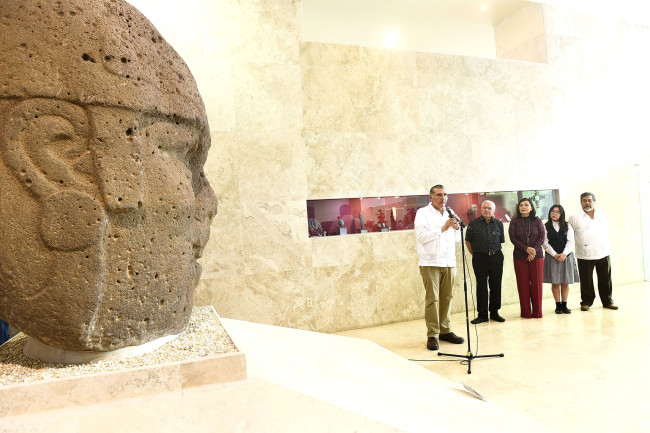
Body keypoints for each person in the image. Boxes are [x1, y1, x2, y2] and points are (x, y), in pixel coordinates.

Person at [414, 184, 465, 350]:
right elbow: (421, 237)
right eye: (438, 195)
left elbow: (456, 239)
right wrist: (443, 228)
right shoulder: (423, 213)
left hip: (449, 262)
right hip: (431, 262)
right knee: (432, 299)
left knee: (447, 297)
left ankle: (445, 330)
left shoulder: (450, 212)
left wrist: (456, 228)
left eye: (445, 195)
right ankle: (432, 334)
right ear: (430, 197)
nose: (443, 198)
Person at [568, 192, 617, 311]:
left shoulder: (602, 214)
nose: (587, 203)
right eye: (584, 200)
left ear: (594, 201)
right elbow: (569, 236)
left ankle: (607, 301)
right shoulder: (574, 217)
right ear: (581, 202)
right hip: (585, 254)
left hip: (603, 252)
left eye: (589, 200)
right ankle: (586, 302)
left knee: (605, 278)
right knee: (586, 280)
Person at [465, 200, 506, 324]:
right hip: (480, 258)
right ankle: (482, 314)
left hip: (496, 257)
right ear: (480, 209)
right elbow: (468, 242)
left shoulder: (499, 224)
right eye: (484, 207)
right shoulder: (473, 223)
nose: (487, 210)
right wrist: (476, 255)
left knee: (496, 284)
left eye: (489, 208)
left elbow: (501, 241)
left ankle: (494, 312)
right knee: (481, 286)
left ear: (493, 210)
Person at [508, 198, 546, 318]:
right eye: (521, 205)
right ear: (518, 208)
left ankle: (537, 312)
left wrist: (533, 250)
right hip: (520, 256)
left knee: (537, 284)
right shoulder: (514, 221)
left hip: (537, 256)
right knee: (523, 285)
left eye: (526, 205)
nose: (523, 207)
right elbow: (513, 238)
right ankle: (525, 312)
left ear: (531, 207)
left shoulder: (537, 221)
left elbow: (542, 237)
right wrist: (526, 249)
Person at [542, 205, 580, 314]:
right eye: (552, 211)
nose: (554, 213)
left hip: (566, 257)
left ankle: (564, 305)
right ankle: (557, 305)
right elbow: (545, 243)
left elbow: (570, 242)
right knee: (555, 282)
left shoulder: (568, 226)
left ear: (561, 214)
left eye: (557, 212)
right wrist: (555, 254)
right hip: (552, 257)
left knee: (565, 282)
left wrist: (564, 254)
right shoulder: (545, 226)